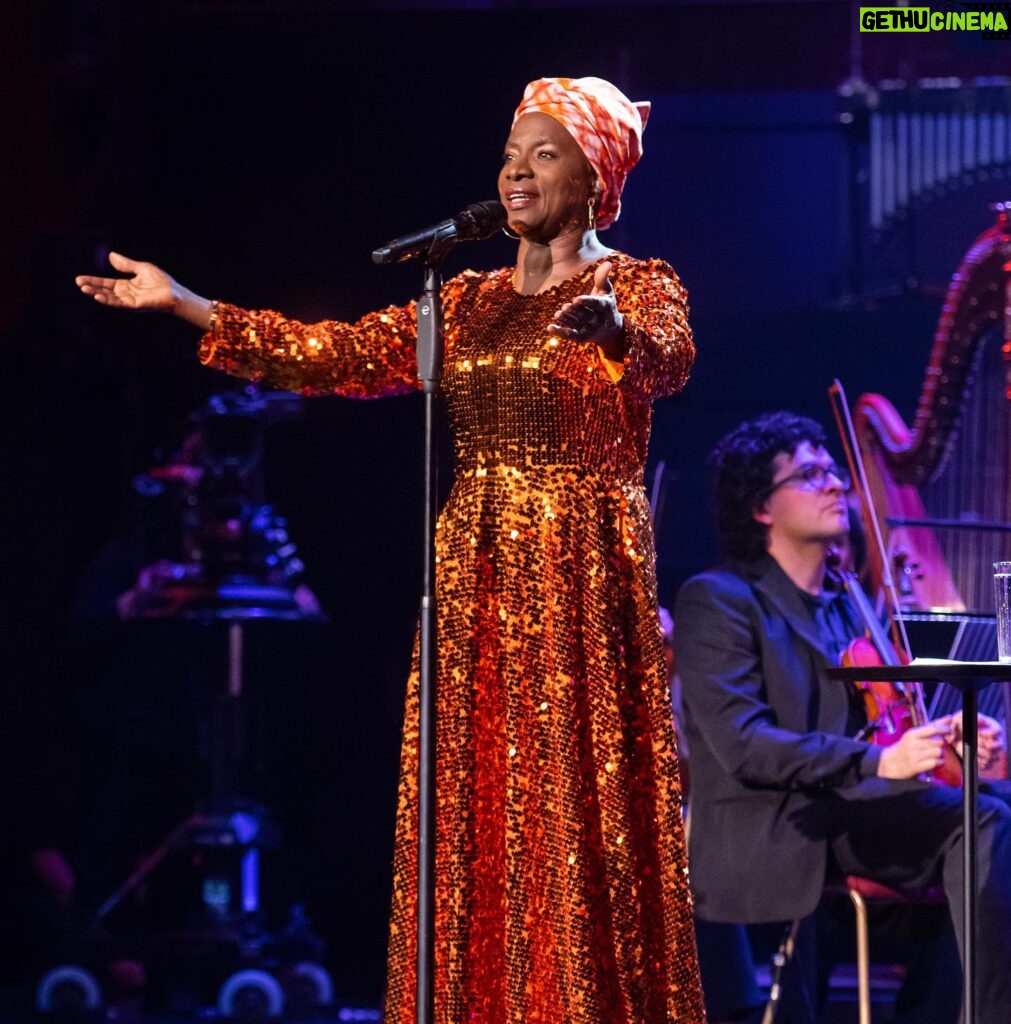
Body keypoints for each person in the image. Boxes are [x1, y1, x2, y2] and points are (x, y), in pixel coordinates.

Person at [76, 76, 704, 1024]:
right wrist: (190, 306)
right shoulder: (467, 298)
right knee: (478, 800)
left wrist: (612, 329)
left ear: (596, 176)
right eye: (509, 151)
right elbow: (334, 355)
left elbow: (670, 361)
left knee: (574, 808)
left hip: (579, 570)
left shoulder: (638, 282)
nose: (516, 169)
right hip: (475, 568)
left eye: (543, 152)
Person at [674, 410, 1011, 1023]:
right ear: (761, 508)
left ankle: (949, 1011)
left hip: (847, 809)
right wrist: (883, 759)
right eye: (809, 475)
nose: (835, 484)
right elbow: (745, 746)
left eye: (832, 470)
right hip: (776, 824)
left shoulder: (846, 606)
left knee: (999, 805)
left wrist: (953, 739)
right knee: (983, 821)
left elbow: (878, 725)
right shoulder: (718, 600)